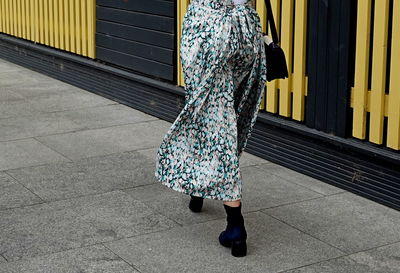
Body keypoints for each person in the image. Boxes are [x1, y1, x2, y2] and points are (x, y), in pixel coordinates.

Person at [155, 0, 267, 257]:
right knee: (225, 117)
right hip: (245, 30)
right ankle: (199, 187)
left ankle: (235, 225)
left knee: (214, 120)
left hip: (207, 28)